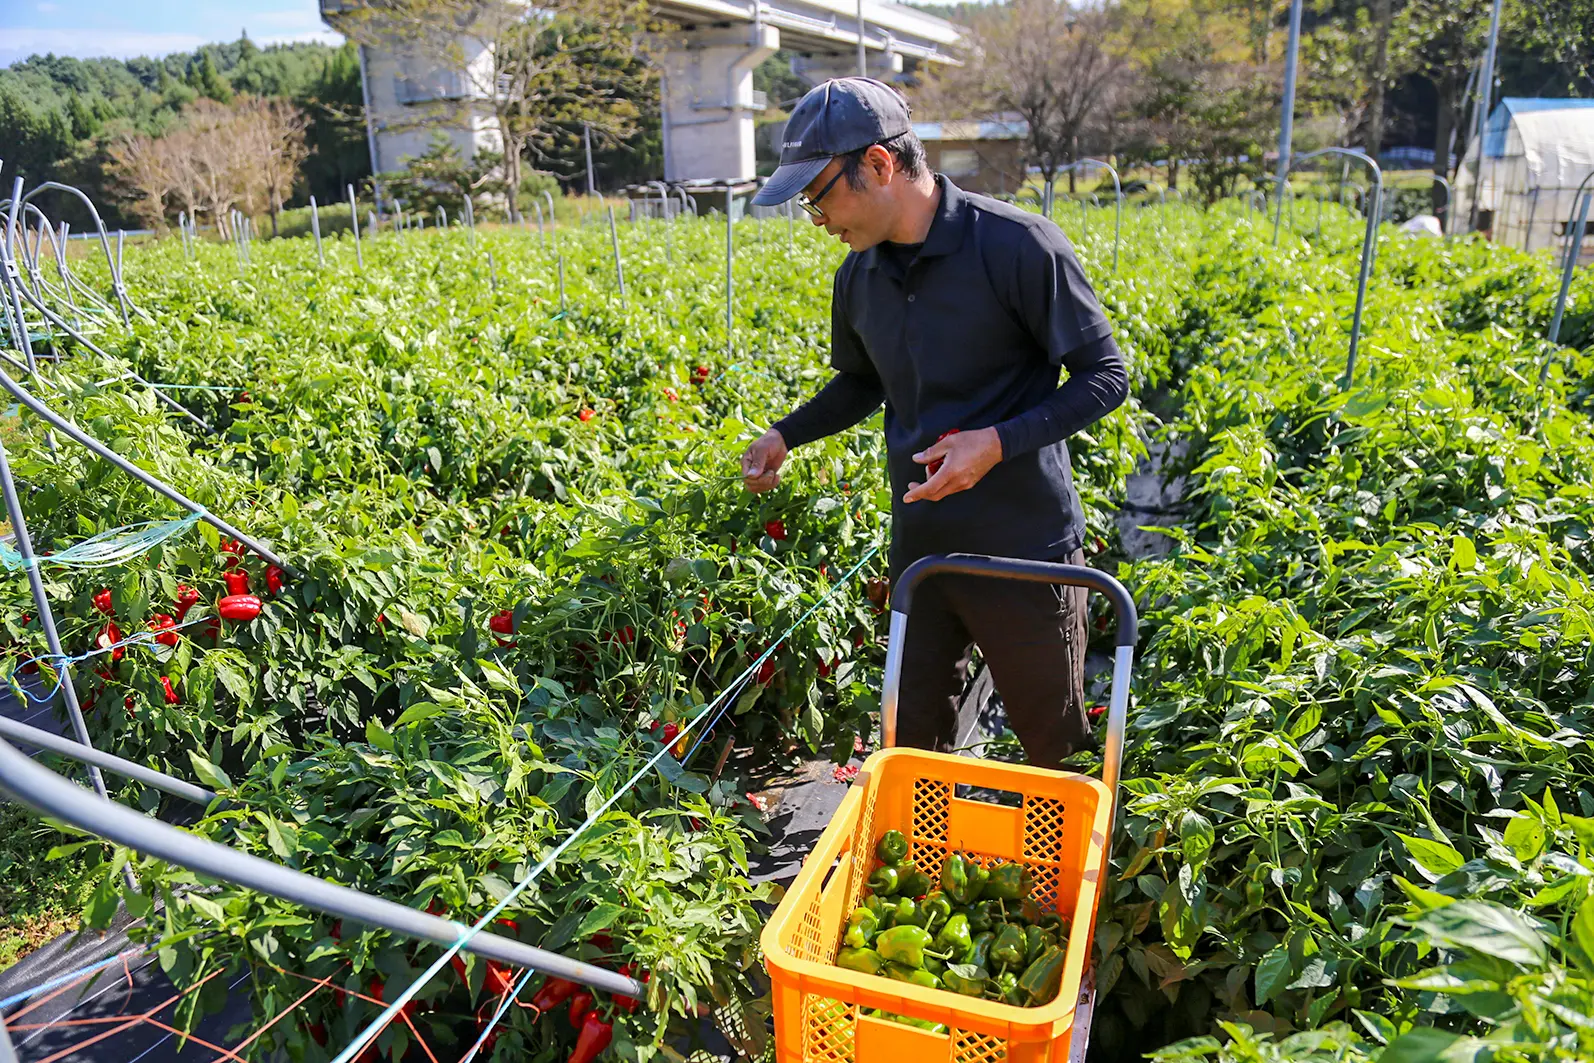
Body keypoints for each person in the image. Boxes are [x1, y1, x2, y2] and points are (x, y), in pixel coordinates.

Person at [738, 77, 1128, 769]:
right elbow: (864, 381)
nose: (817, 218)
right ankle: (919, 872)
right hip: (924, 553)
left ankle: (1053, 873)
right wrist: (785, 433)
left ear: (880, 165)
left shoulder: (1017, 246)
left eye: (818, 194)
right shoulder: (858, 276)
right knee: (914, 743)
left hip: (1024, 549)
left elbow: (1105, 376)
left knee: (1052, 746)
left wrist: (996, 442)